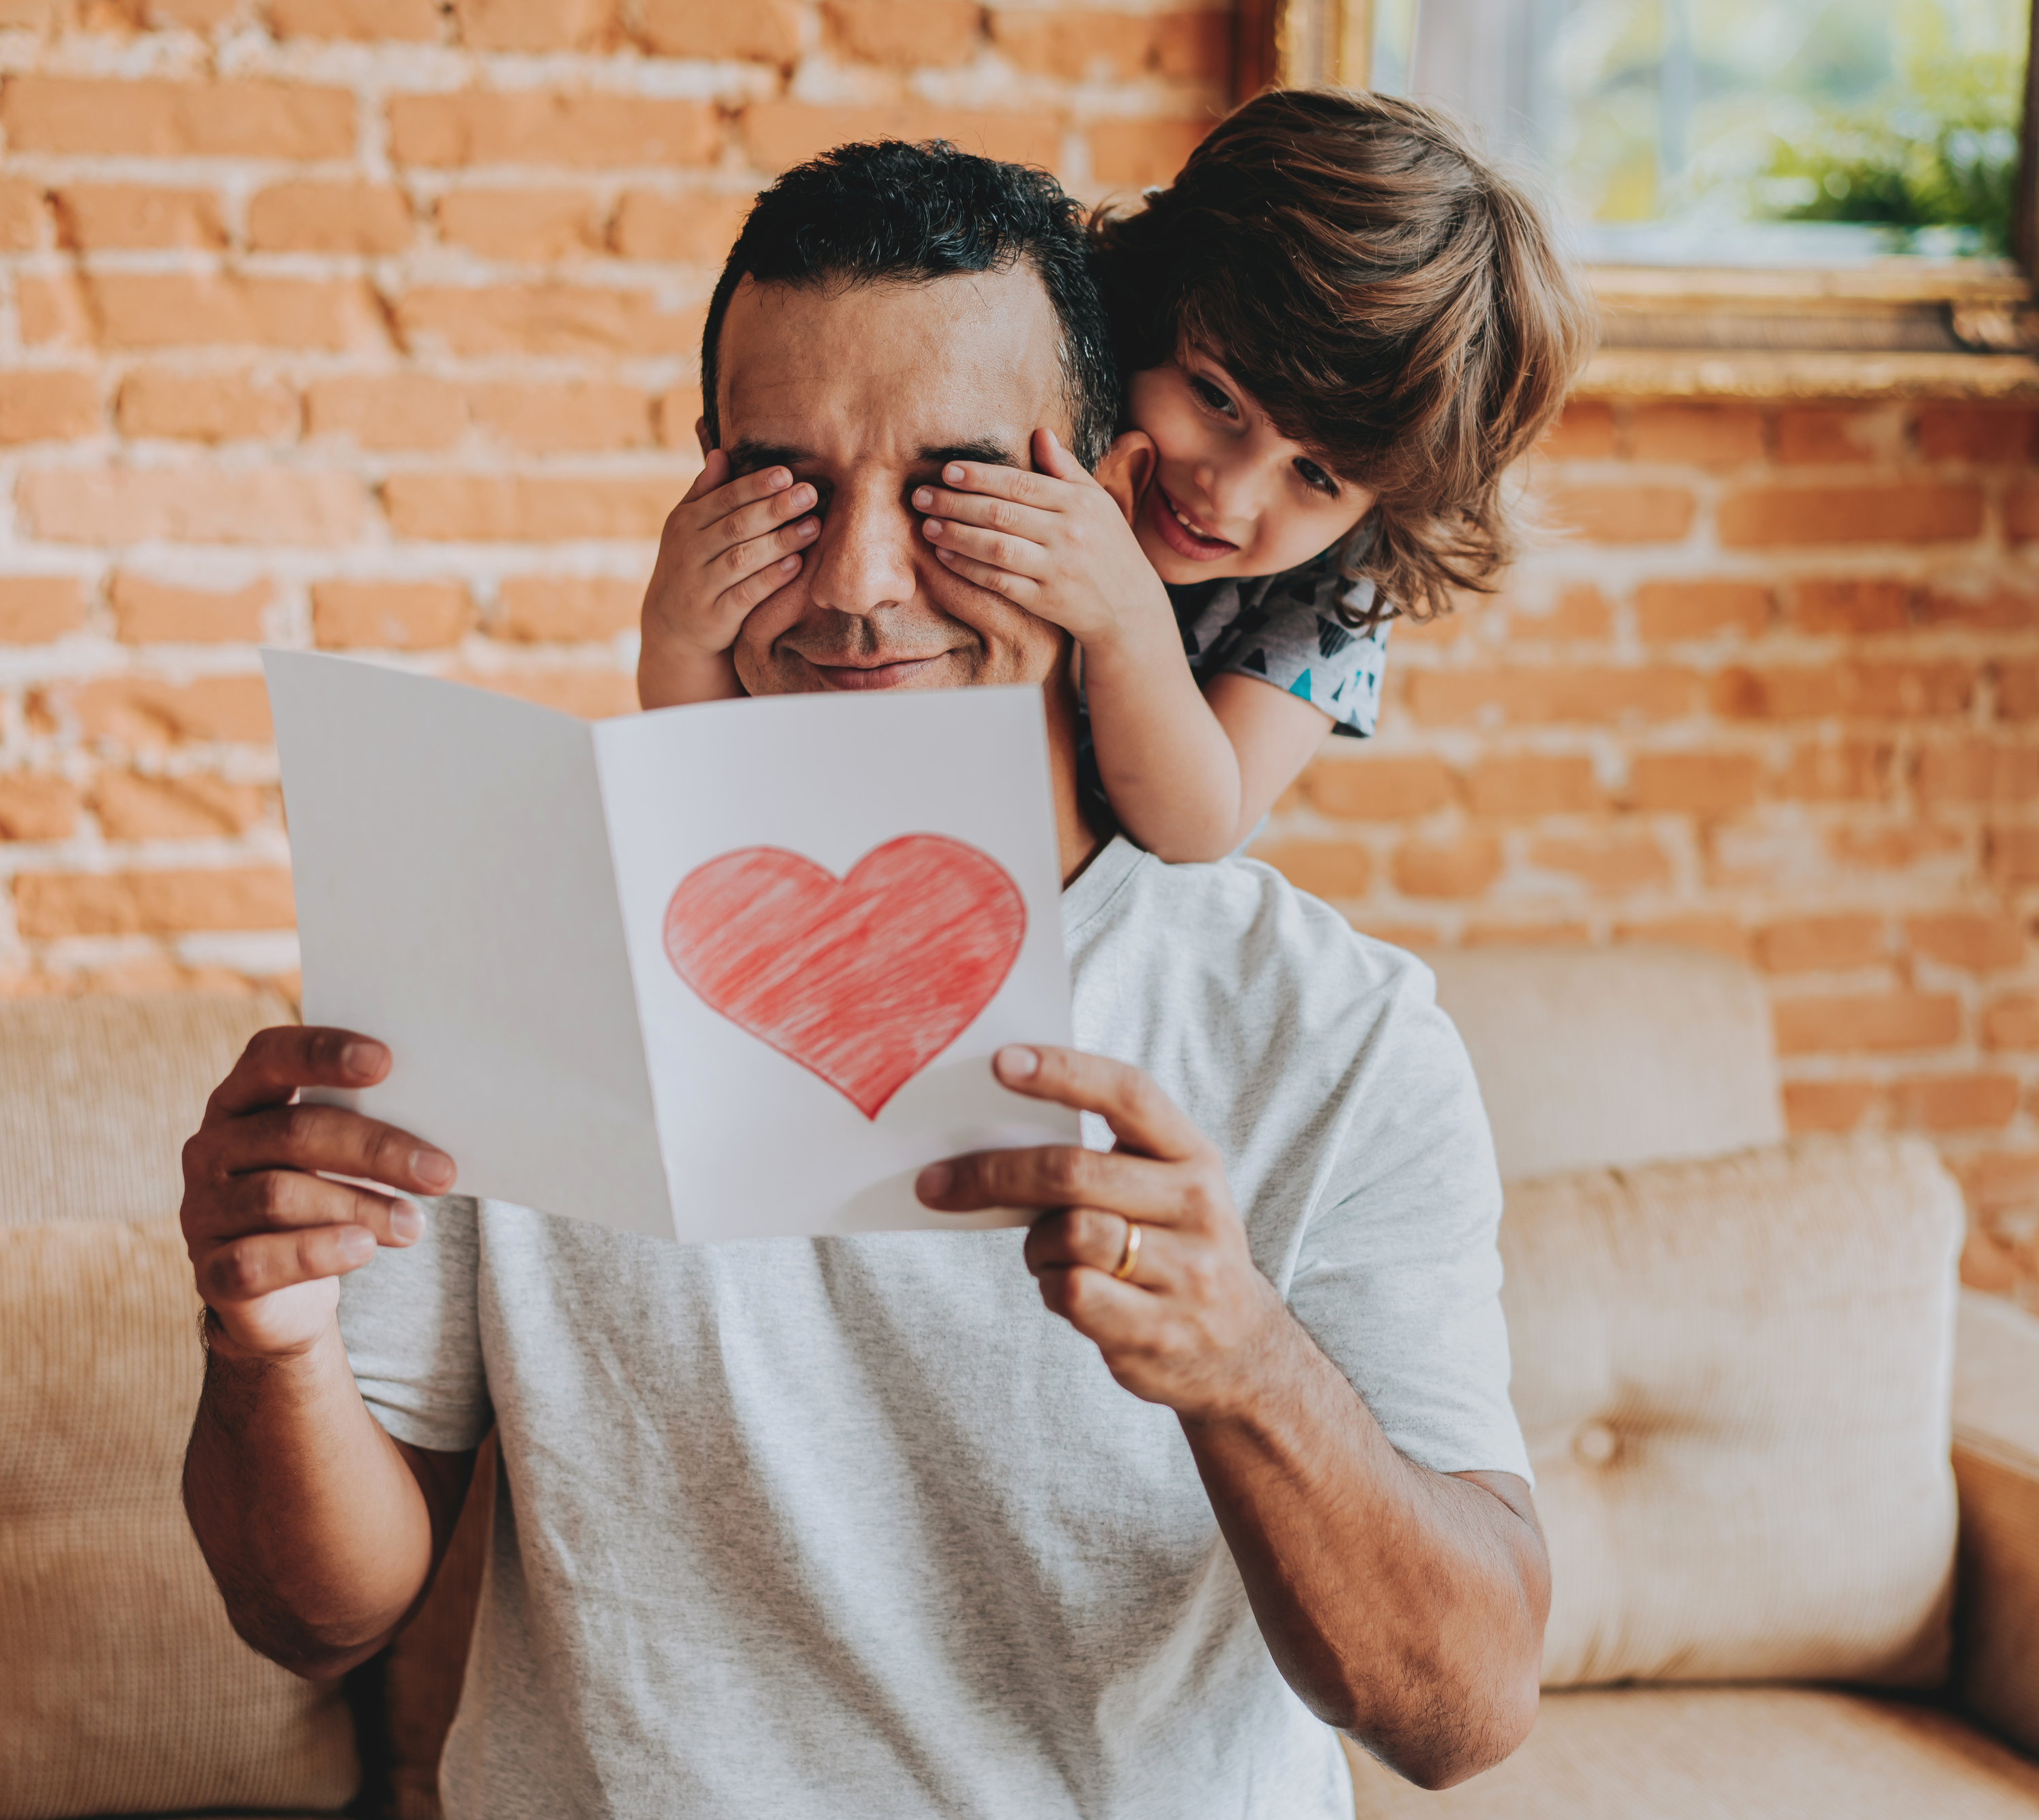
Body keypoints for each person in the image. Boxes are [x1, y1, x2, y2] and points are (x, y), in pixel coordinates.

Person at [180, 141, 1548, 1819]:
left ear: (1101, 494)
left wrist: (1241, 1359)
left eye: (956, 486)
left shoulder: (1332, 1034)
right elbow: (315, 1610)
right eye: (786, 489)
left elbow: (1463, 1706)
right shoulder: (507, 933)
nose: (857, 586)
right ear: (702, 484)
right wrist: (266, 1333)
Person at [637, 89, 1595, 864]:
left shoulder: (1329, 599)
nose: (1230, 491)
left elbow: (1194, 827)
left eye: (1315, 475)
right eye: (1217, 399)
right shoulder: (1041, 406)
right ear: (1146, 310)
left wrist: (1127, 617)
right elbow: (717, 774)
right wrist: (680, 633)